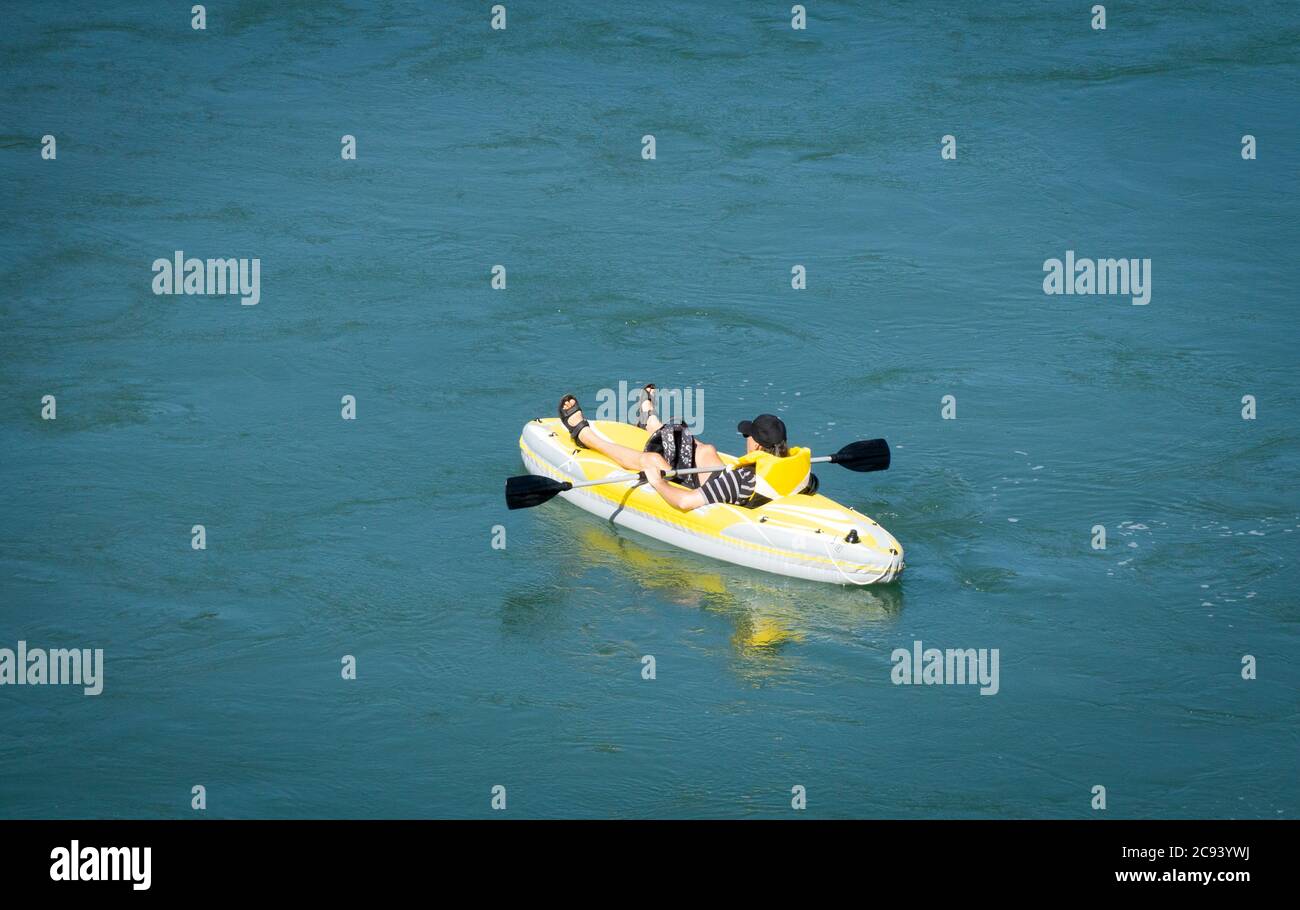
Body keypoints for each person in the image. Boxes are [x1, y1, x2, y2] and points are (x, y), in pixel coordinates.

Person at [557, 390, 812, 512]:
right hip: (727, 484)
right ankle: (650, 422)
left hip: (713, 492)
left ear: (756, 445)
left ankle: (585, 436)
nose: (745, 440)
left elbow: (684, 502)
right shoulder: (801, 470)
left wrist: (657, 483)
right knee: (704, 449)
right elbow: (809, 486)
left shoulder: (740, 480)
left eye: (748, 436)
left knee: (652, 459)